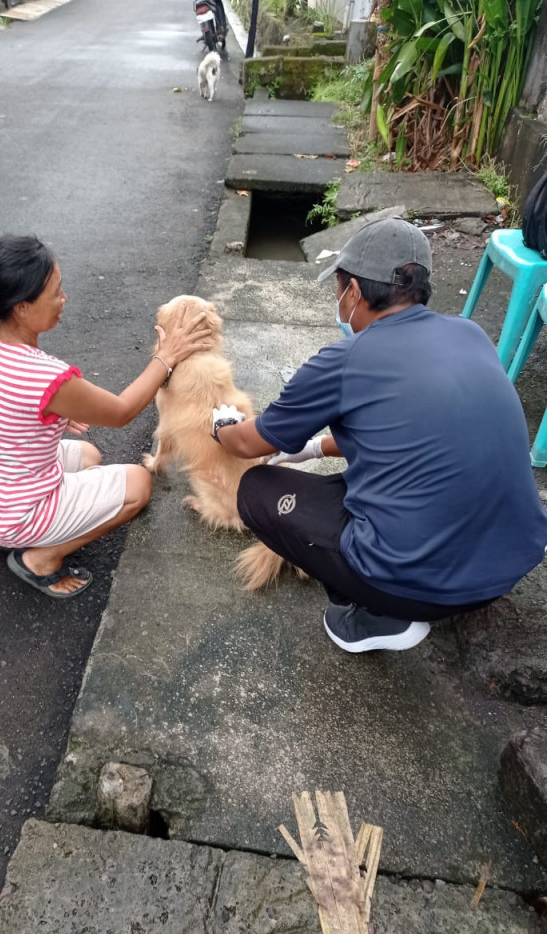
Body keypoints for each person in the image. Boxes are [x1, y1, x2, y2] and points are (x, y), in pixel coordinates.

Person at [210, 218, 547, 653]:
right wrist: (313, 446)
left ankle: (379, 615)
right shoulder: (470, 333)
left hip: (418, 586)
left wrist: (220, 426)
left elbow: (248, 444)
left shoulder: (346, 359)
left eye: (338, 290)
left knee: (256, 488)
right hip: (508, 562)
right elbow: (403, 434)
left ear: (353, 292)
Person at [0, 234, 211, 598]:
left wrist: (49, 415)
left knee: (91, 456)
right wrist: (166, 356)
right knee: (139, 485)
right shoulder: (46, 379)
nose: (64, 299)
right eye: (56, 292)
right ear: (22, 307)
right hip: (15, 511)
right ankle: (42, 556)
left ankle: (29, 527)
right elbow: (122, 412)